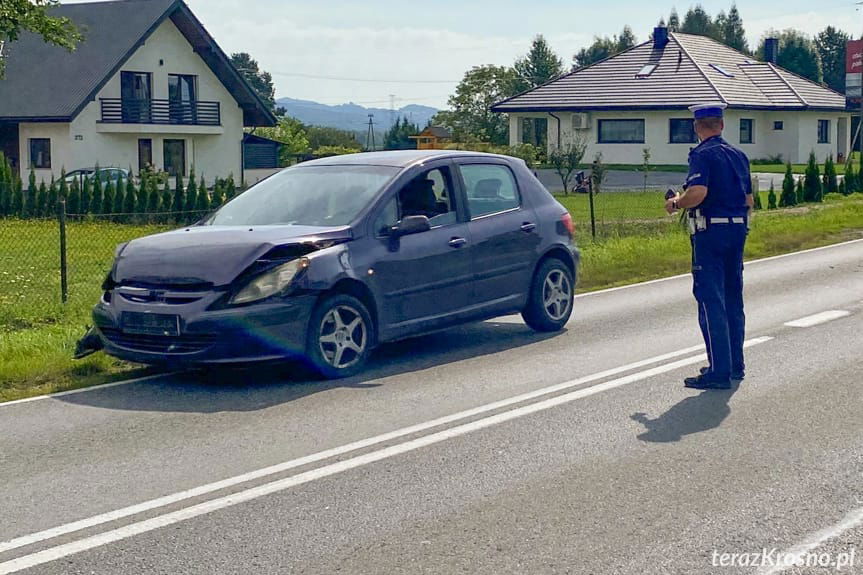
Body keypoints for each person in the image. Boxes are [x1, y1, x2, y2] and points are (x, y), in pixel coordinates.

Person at [665, 103, 754, 390]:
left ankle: (718, 371)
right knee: (732, 298)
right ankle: (734, 364)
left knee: (710, 299)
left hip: (710, 233)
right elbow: (749, 200)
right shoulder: (739, 156)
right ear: (722, 125)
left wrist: (676, 202)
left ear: (696, 127)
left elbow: (699, 193)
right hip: (737, 229)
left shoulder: (701, 154)